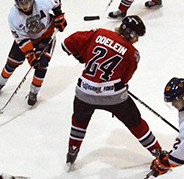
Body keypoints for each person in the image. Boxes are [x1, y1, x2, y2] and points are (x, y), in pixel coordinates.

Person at [61, 15, 162, 169]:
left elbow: (68, 43)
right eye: (136, 36)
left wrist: (81, 56)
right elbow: (125, 78)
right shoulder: (132, 53)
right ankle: (158, 152)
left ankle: (72, 151)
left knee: (79, 121)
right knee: (136, 122)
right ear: (129, 33)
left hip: (84, 91)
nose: (137, 40)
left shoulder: (98, 33)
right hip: (113, 96)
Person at [0, 0, 67, 106]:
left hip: (47, 35)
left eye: (28, 2)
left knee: (42, 64)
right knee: (12, 62)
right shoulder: (13, 17)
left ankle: (34, 92)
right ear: (16, 3)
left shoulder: (42, 0)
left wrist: (59, 17)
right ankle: (0, 82)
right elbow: (21, 39)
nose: (25, 6)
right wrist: (30, 54)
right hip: (28, 39)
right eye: (22, 4)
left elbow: (57, 2)